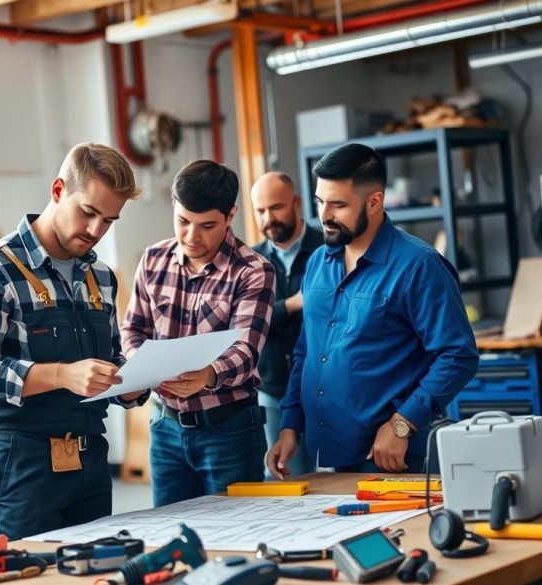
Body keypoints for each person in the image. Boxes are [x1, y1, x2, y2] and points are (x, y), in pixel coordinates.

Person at [0, 143, 149, 541]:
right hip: (23, 463)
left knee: (95, 571)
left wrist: (130, 385)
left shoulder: (101, 278)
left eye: (108, 220)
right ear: (58, 190)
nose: (95, 231)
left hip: (91, 456)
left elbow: (107, 362)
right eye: (88, 212)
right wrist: (60, 375)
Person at [266, 144, 478, 479]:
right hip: (331, 455)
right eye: (321, 202)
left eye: (338, 204)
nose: (324, 215)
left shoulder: (418, 265)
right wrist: (291, 425)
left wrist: (402, 424)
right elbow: (308, 351)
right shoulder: (319, 262)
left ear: (375, 202)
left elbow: (458, 355)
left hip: (396, 456)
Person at [122, 160, 275, 507]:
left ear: (230, 215)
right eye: (183, 222)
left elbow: (247, 350)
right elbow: (133, 327)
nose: (192, 236)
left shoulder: (253, 270)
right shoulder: (152, 259)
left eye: (207, 226)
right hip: (165, 429)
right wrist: (138, 364)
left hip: (230, 431)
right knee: (171, 536)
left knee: (237, 537)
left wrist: (208, 375)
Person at [249, 172, 323, 477]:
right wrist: (292, 304)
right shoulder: (250, 260)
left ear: (296, 203)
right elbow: (250, 319)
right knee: (286, 477)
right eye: (261, 211)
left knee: (336, 479)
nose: (269, 218)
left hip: (323, 385)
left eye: (276, 207)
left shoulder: (327, 249)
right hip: (274, 387)